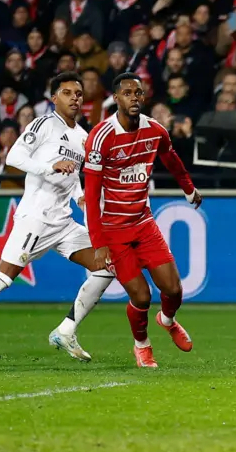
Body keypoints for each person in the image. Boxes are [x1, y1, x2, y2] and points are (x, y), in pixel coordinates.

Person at [0, 72, 114, 365]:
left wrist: (80, 197)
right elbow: (14, 157)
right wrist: (49, 167)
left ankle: (66, 330)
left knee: (107, 265)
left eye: (79, 94)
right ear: (54, 97)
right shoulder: (44, 124)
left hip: (64, 222)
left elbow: (72, 178)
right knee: (4, 276)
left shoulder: (82, 137)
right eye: (68, 93)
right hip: (36, 218)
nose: (75, 98)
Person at [82, 72, 203, 368]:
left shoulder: (155, 131)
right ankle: (142, 345)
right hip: (113, 231)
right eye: (127, 93)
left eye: (138, 93)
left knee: (173, 290)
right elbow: (91, 193)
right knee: (141, 295)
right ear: (116, 98)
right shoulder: (101, 137)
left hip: (143, 223)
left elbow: (171, 158)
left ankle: (167, 319)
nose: (134, 98)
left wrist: (189, 189)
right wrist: (99, 244)